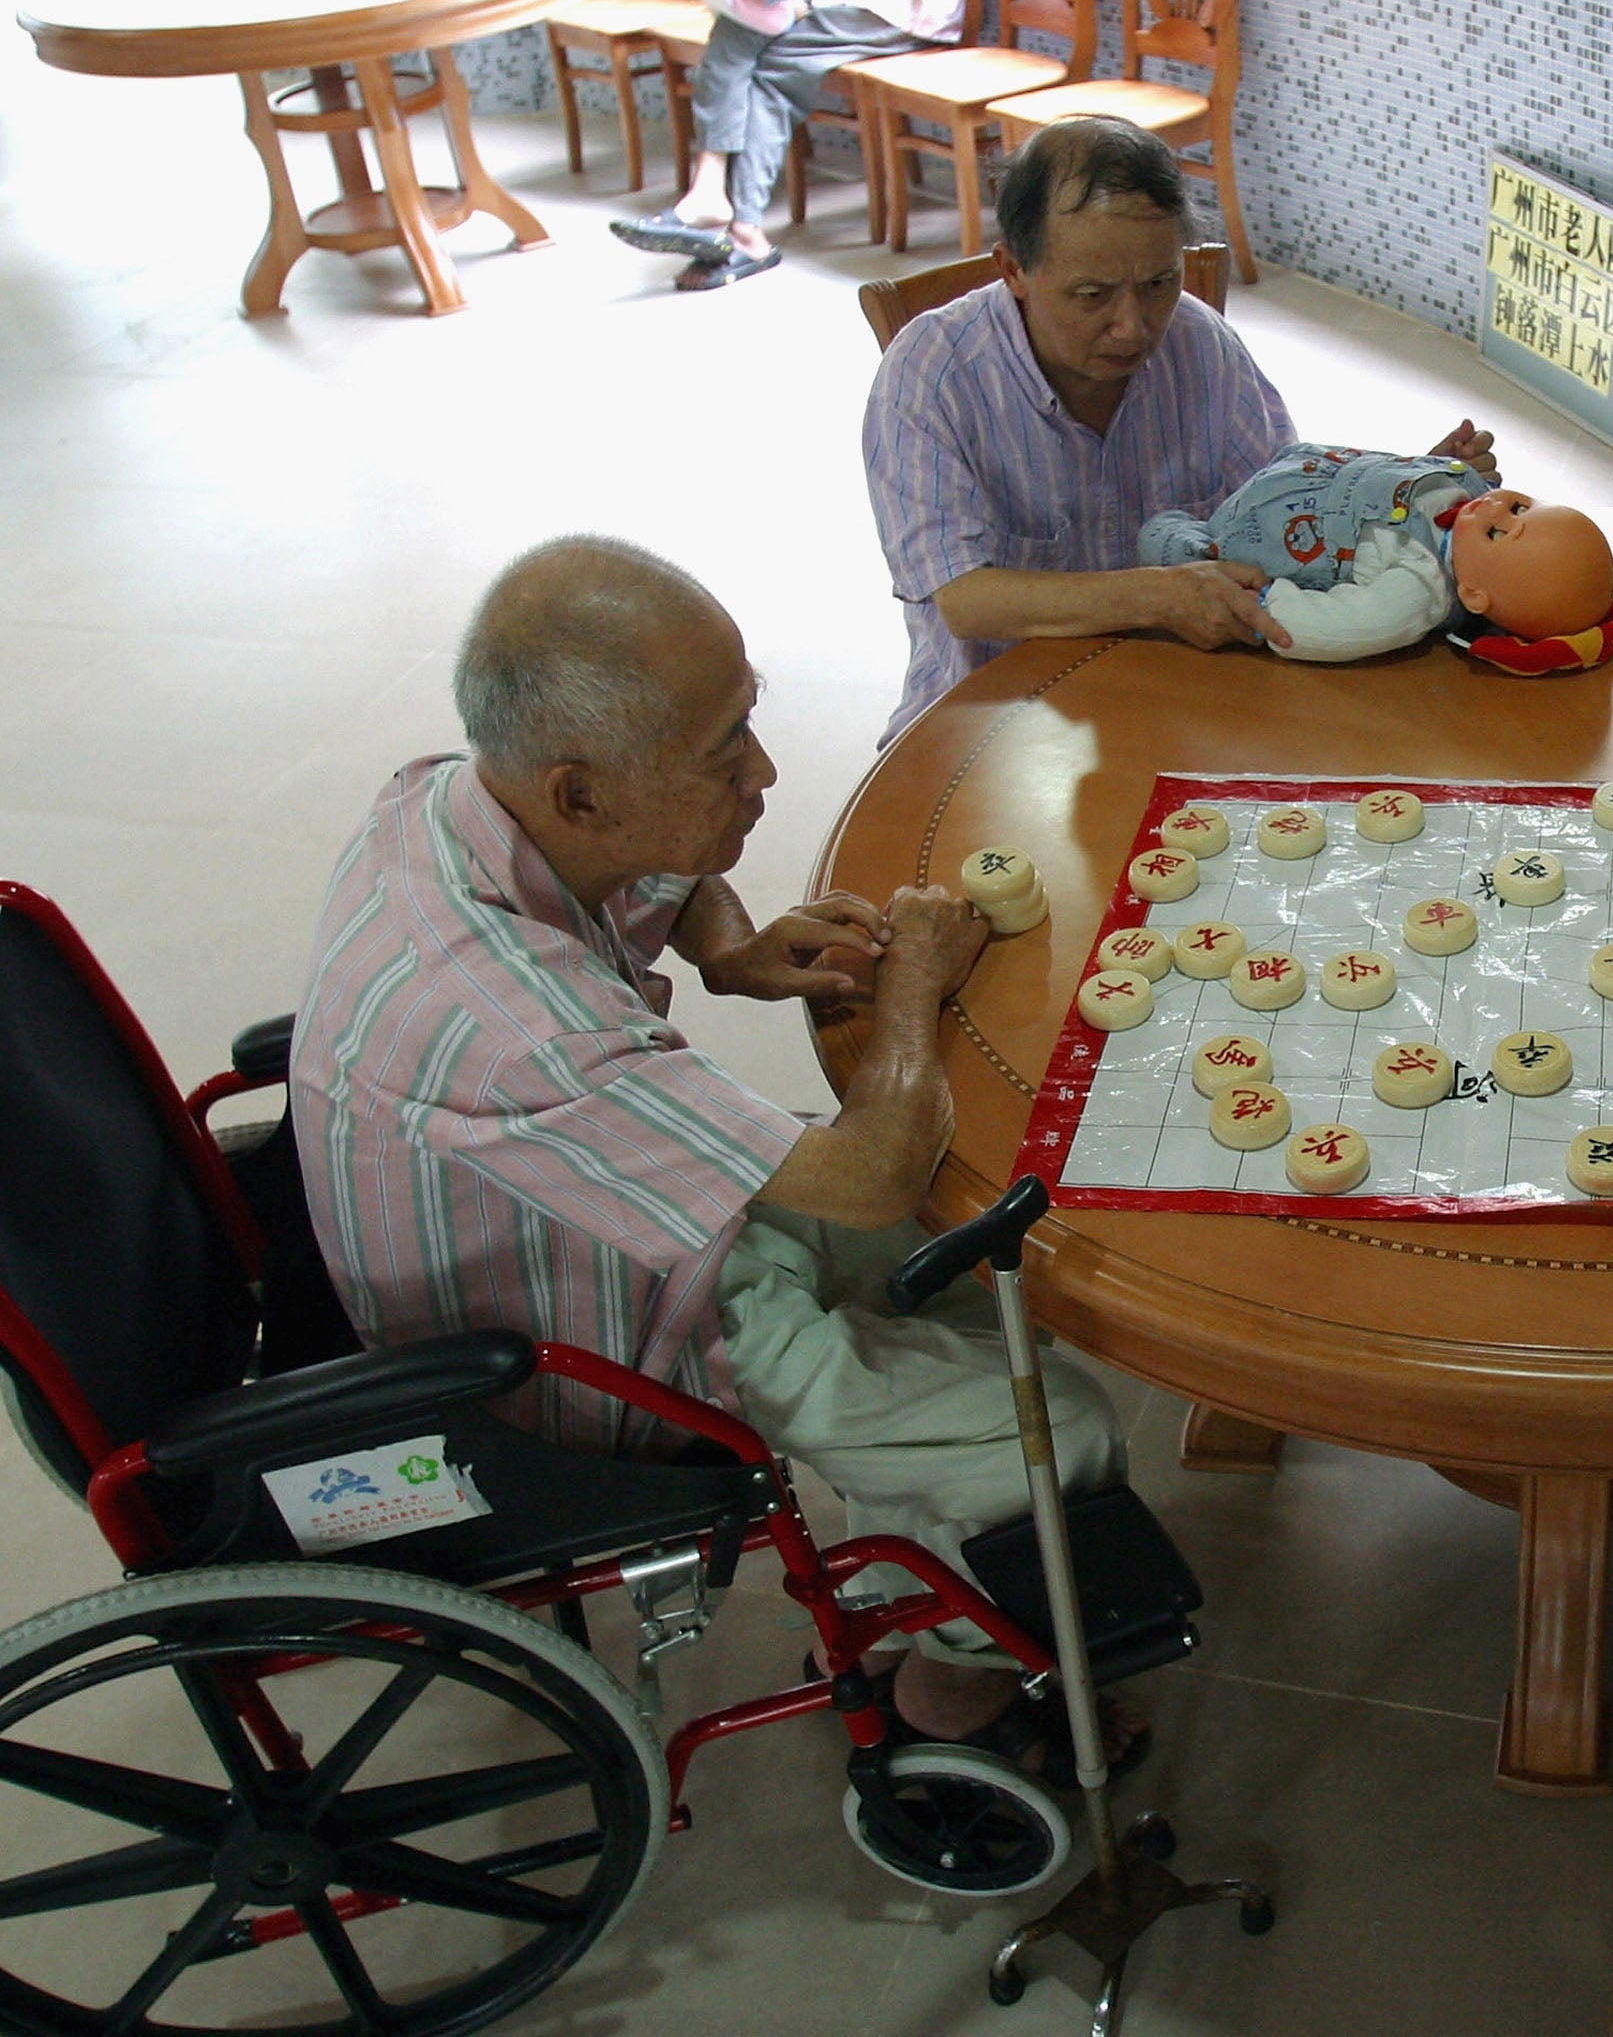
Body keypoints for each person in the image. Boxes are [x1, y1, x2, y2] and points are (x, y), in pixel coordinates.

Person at [290, 536, 1128, 1760]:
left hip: (598, 1210)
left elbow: (661, 880)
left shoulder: (458, 799)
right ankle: (954, 1683)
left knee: (985, 1266)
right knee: (1064, 1418)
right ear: (581, 789)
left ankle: (918, 1555)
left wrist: (729, 944)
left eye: (749, 719)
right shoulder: (514, 1023)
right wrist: (912, 989)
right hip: (590, 1334)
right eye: (722, 750)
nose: (766, 771)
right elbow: (869, 1170)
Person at [862, 116, 1499, 741]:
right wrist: (1156, 597)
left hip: (1186, 692)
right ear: (1014, 270)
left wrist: (1392, 500)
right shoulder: (934, 374)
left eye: (1159, 283)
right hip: (996, 720)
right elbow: (965, 599)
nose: (1134, 327)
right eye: (1093, 295)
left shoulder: (1198, 341)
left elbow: (1281, 516)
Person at [610, 0, 969, 290]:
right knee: (740, 22)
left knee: (764, 60)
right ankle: (717, 202)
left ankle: (730, 214)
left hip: (902, 4)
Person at [1139, 443, 1613, 673]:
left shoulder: (1421, 586)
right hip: (1301, 471)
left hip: (1257, 535)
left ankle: (1174, 537)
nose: (1493, 506)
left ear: (1473, 594)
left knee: (1165, 542)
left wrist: (1271, 602)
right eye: (1521, 506)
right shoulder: (1471, 498)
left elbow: (1347, 625)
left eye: (1498, 531)